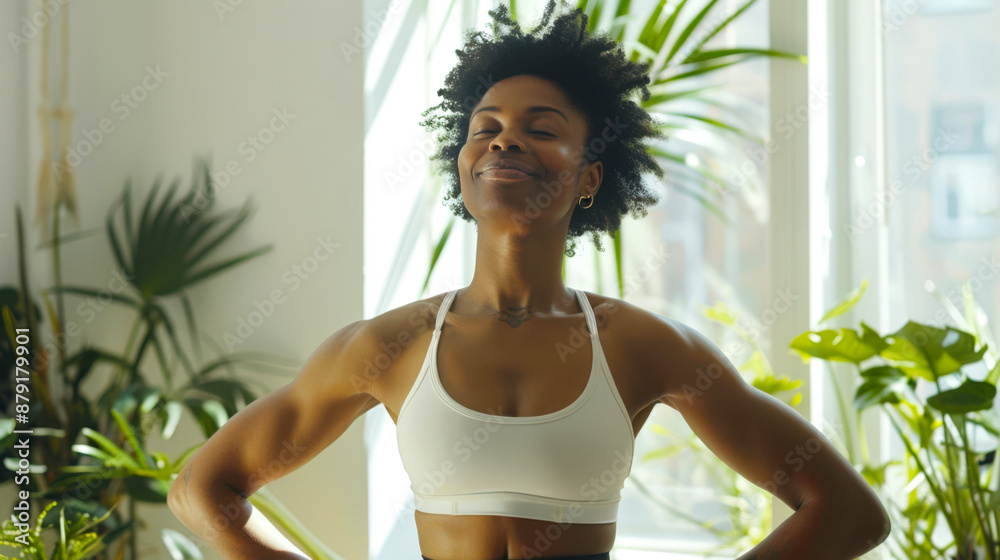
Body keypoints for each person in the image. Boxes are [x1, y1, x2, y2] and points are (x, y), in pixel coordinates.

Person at [167, 1, 891, 559]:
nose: (505, 138)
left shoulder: (647, 347)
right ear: (463, 164)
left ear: (590, 177)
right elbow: (202, 486)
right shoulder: (386, 346)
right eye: (485, 127)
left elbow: (849, 512)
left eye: (540, 128)